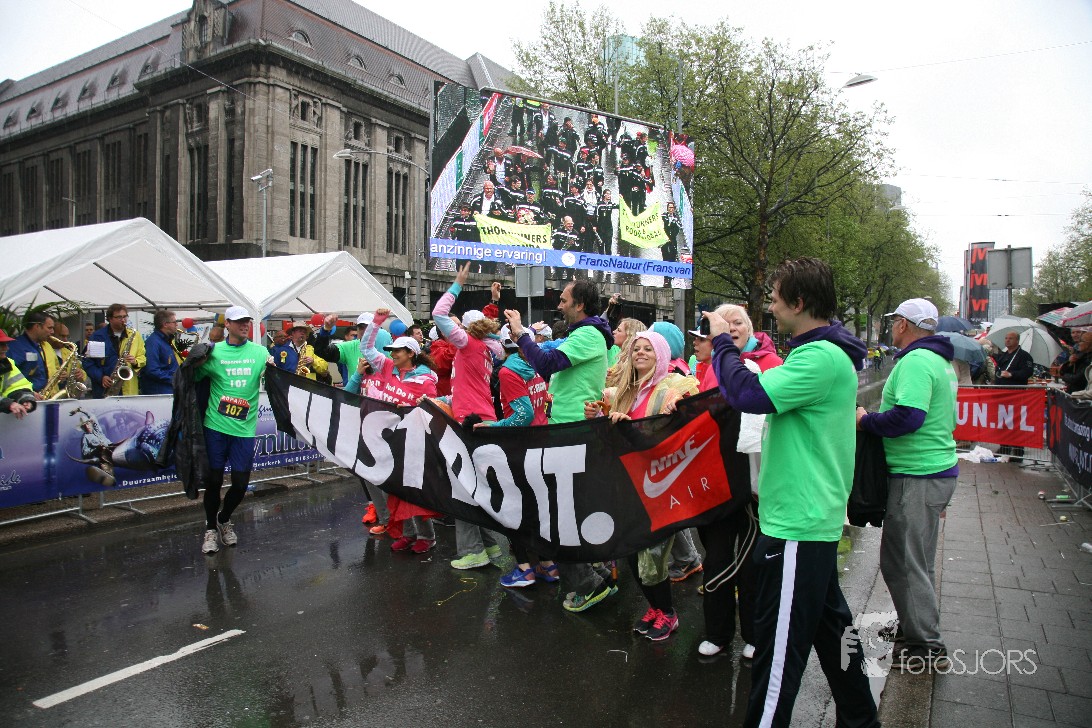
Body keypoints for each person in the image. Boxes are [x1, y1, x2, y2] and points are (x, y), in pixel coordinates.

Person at [708, 257, 878, 728]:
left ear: (799, 302)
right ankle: (862, 720)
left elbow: (747, 394)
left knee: (777, 659)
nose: (771, 306)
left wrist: (722, 341)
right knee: (833, 634)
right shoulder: (821, 354)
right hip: (805, 520)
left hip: (797, 527)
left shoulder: (819, 358)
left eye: (776, 297)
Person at [856, 298, 958, 671]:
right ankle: (914, 626)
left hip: (917, 475)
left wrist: (866, 420)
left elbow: (909, 418)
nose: (891, 328)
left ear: (902, 324)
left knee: (902, 562)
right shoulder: (938, 360)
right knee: (917, 561)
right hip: (931, 472)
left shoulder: (916, 362)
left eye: (893, 322)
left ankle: (926, 646)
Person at [505, 279, 616, 612]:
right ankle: (597, 573)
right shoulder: (584, 333)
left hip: (572, 434)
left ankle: (588, 584)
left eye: (564, 300)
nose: (559, 305)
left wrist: (521, 334)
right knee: (567, 510)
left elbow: (546, 363)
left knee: (558, 516)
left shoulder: (588, 334)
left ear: (580, 304)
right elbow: (548, 359)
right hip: (567, 432)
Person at [585, 331, 698, 640]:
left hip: (657, 485)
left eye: (649, 349)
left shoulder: (672, 386)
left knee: (653, 554)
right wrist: (597, 415)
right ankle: (654, 607)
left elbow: (683, 418)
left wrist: (678, 406)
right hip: (625, 484)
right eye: (637, 349)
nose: (641, 353)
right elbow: (608, 432)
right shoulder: (621, 390)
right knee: (632, 550)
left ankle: (668, 613)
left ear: (661, 355)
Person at [433, 268, 506, 570]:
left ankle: (473, 551)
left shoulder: (468, 345)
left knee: (462, 489)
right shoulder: (486, 350)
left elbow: (438, 313)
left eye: (460, 326)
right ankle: (489, 546)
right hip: (480, 418)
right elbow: (466, 389)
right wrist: (442, 401)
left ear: (467, 331)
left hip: (471, 423)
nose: (454, 328)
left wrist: (458, 285)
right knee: (474, 487)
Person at [354, 309, 441, 554]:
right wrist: (377, 321)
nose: (392, 354)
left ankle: (427, 536)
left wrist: (411, 407)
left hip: (415, 441)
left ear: (411, 354)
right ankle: (408, 533)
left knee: (414, 490)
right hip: (390, 439)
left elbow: (431, 408)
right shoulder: (387, 366)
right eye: (391, 351)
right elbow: (366, 348)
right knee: (396, 491)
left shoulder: (425, 379)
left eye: (397, 351)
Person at [477, 328, 555, 587]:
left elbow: (524, 415)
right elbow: (544, 402)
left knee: (512, 510)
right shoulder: (534, 366)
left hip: (520, 448)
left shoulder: (508, 372)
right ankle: (548, 565)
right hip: (541, 444)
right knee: (536, 510)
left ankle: (524, 569)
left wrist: (493, 426)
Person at [192, 306, 269, 555]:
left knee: (240, 484)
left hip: (244, 431)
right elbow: (192, 379)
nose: (245, 325)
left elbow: (275, 380)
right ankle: (210, 529)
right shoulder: (214, 352)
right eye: (239, 322)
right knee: (214, 481)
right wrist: (195, 361)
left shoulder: (260, 352)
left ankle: (223, 518)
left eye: (247, 321)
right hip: (215, 427)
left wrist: (273, 370)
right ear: (227, 325)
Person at [84, 304, 146, 397]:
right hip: (104, 388)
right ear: (110, 319)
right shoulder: (97, 337)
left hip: (128, 389)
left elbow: (142, 357)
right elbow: (88, 363)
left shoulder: (135, 335)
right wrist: (101, 377)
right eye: (119, 317)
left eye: (125, 316)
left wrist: (135, 362)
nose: (123, 320)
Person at [993, 330, 1034, 462]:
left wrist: (1012, 374)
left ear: (1017, 340)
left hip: (1016, 393)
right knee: (1003, 422)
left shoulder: (1024, 356)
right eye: (1006, 338)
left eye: (1011, 338)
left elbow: (1027, 372)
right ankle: (1004, 446)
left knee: (1016, 422)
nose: (1007, 340)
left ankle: (1018, 449)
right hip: (1002, 393)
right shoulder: (1004, 355)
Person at [8, 311, 62, 398]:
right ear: (37, 326)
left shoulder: (38, 345)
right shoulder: (17, 347)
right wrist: (27, 393)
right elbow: (8, 376)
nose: (52, 332)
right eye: (49, 328)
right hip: (24, 398)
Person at [140, 309, 182, 395]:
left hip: (169, 389)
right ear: (165, 324)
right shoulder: (153, 342)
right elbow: (152, 370)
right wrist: (175, 379)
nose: (177, 324)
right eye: (174, 322)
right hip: (160, 392)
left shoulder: (166, 340)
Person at [0, 329, 37, 419]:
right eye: (1, 345)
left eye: (6, 344)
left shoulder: (6, 363)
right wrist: (8, 404)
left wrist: (26, 399)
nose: (6, 348)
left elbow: (17, 387)